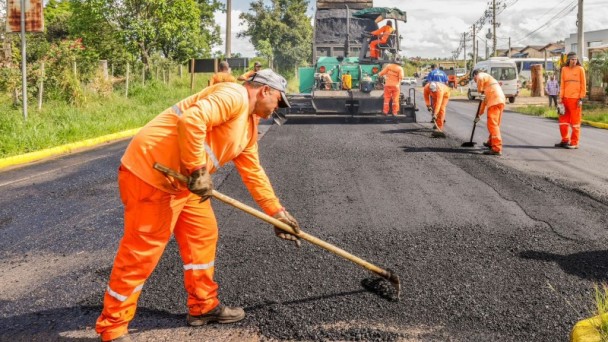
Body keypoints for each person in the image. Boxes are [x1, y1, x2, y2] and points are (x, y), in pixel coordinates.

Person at [95, 69, 301, 342]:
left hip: (184, 183)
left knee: (202, 236)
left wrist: (276, 213)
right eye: (278, 100)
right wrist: (197, 170)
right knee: (142, 252)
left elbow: (253, 172)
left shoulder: (249, 128)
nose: (277, 108)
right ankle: (113, 328)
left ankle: (203, 306)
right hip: (152, 174)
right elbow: (193, 119)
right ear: (264, 90)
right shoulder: (233, 95)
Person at [555, 52, 586, 149]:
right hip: (564, 99)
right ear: (568, 60)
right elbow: (562, 84)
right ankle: (565, 140)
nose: (574, 61)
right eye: (572, 59)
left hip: (575, 99)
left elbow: (583, 85)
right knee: (563, 122)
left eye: (575, 59)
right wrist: (561, 97)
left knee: (575, 122)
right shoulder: (564, 69)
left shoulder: (580, 69)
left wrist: (581, 97)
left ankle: (574, 143)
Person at [472, 69, 506, 156]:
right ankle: (491, 142)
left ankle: (496, 148)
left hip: (494, 100)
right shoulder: (489, 82)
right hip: (500, 100)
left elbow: (479, 80)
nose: (476, 82)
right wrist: (478, 115)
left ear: (475, 75)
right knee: (496, 124)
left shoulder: (480, 75)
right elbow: (483, 103)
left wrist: (479, 91)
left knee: (492, 124)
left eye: (475, 80)